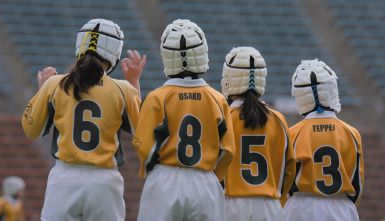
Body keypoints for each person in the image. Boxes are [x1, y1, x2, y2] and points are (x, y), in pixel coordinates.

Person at [21, 18, 146, 221]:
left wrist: (41, 92)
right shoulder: (123, 90)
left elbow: (30, 129)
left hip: (63, 179)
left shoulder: (54, 84)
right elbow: (140, 129)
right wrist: (134, 84)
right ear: (114, 51)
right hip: (105, 182)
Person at [132, 19, 235, 221]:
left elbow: (143, 145)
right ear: (202, 52)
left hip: (164, 180)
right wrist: (213, 176)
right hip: (205, 181)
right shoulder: (217, 99)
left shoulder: (157, 97)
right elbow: (228, 150)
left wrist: (151, 168)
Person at [220, 47, 296, 221]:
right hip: (270, 206)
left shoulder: (223, 118)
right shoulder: (278, 120)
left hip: (230, 205)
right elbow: (289, 170)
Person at [283, 59, 364, 221]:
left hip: (300, 207)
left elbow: (285, 181)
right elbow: (357, 185)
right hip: (341, 206)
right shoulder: (351, 133)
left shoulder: (292, 133)